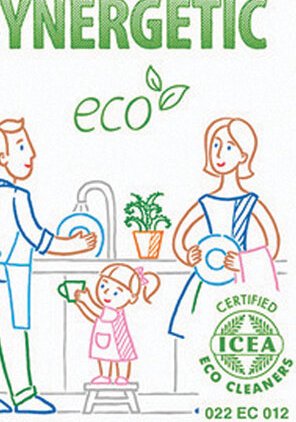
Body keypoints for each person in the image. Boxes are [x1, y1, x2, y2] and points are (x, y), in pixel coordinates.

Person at [0, 118, 96, 412]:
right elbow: (39, 239)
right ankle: (22, 395)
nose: (32, 154)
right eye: (22, 147)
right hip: (7, 277)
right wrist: (77, 244)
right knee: (12, 335)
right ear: (3, 157)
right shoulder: (17, 197)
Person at [168, 117, 282, 338]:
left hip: (239, 279)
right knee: (199, 334)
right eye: (215, 145)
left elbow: (273, 247)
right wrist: (187, 255)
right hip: (206, 278)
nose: (220, 154)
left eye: (229, 147)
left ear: (243, 156)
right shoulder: (206, 201)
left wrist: (243, 262)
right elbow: (179, 239)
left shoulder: (251, 202)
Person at [71, 263, 159, 385]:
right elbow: (93, 317)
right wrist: (80, 304)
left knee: (121, 359)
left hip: (118, 342)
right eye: (103, 286)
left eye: (116, 293)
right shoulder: (106, 309)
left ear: (132, 298)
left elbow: (98, 313)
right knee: (104, 358)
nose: (106, 293)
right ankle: (105, 376)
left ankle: (122, 376)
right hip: (104, 340)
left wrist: (86, 300)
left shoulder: (113, 311)